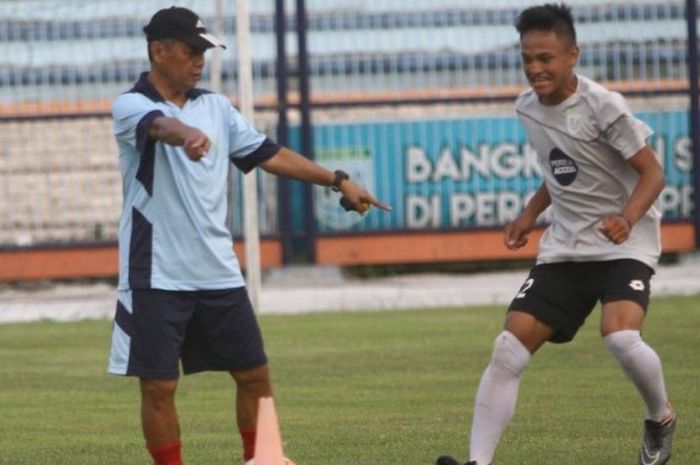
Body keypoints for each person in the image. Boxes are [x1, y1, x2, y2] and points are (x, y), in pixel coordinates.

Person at [107, 7, 390, 465]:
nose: (199, 61)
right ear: (158, 52)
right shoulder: (130, 105)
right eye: (190, 51)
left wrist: (338, 180)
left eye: (204, 51)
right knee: (159, 385)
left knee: (255, 375)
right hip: (155, 272)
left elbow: (268, 153)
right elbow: (160, 127)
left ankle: (265, 459)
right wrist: (187, 135)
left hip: (218, 271)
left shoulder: (217, 107)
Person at [436, 4, 675, 465]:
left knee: (620, 337)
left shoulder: (604, 107)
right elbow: (560, 170)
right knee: (509, 348)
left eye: (545, 58)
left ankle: (660, 417)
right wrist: (529, 215)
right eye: (527, 58)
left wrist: (625, 217)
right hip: (566, 247)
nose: (535, 68)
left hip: (625, 243)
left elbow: (653, 174)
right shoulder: (527, 108)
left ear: (572, 56)